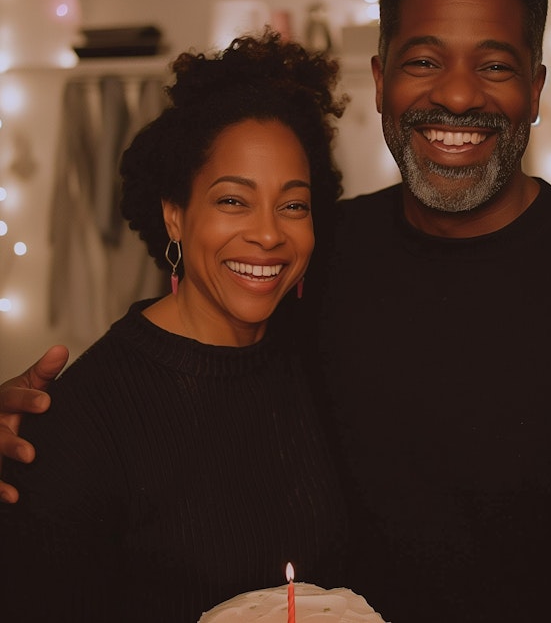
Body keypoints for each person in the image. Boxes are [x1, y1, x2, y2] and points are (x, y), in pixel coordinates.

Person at [2, 0, 551, 622]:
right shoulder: (320, 254)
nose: (457, 96)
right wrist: (37, 440)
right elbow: (180, 381)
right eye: (424, 60)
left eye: (494, 65)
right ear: (380, 79)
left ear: (537, 86)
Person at [0, 31, 348, 623]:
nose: (268, 234)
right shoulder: (83, 419)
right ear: (175, 216)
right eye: (233, 201)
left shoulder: (323, 360)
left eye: (293, 205)